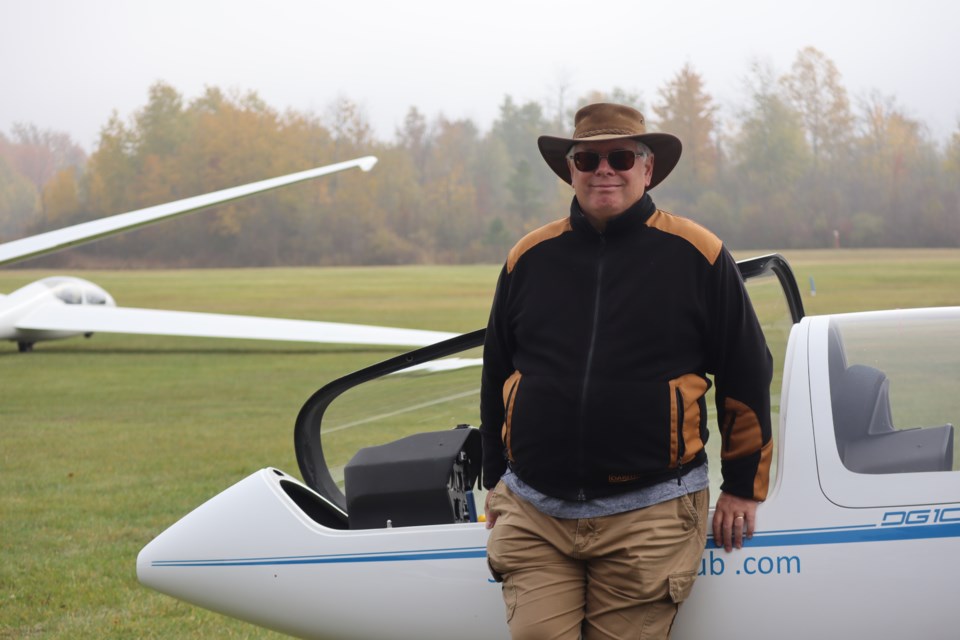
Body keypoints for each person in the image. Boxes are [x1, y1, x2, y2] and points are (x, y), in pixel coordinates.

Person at [479, 103, 773, 639]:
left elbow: (746, 372)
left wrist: (744, 486)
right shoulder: (529, 257)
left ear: (647, 168)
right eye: (588, 159)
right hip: (535, 510)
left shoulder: (698, 254)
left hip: (653, 511)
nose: (603, 170)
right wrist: (495, 476)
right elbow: (498, 369)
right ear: (570, 170)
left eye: (620, 157)